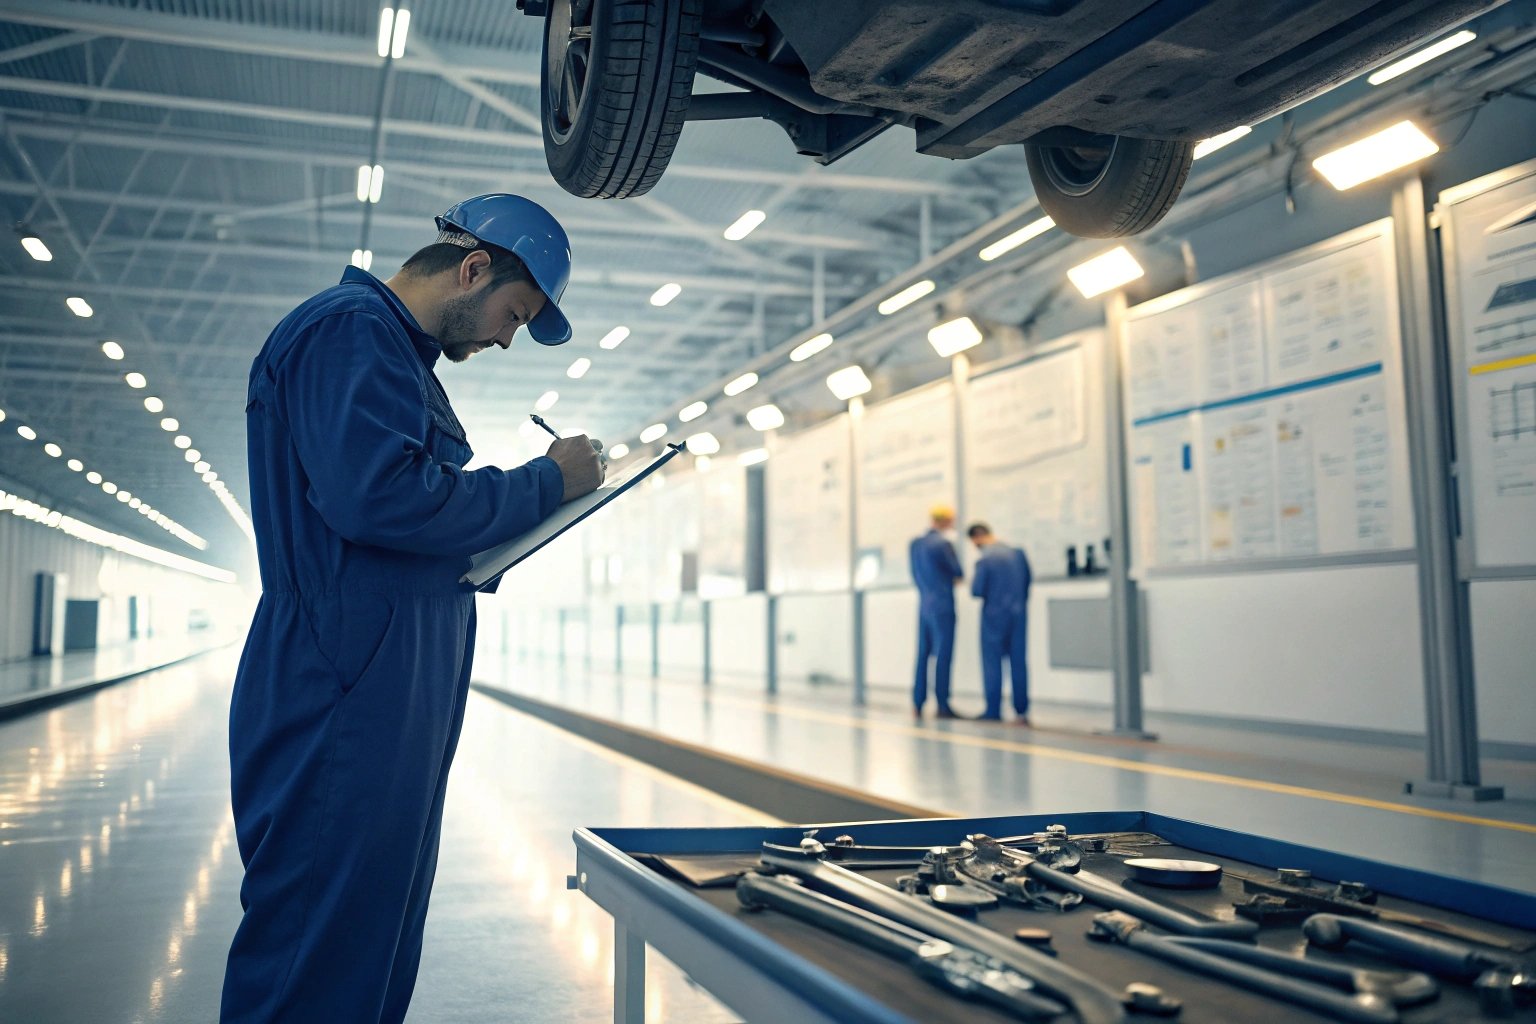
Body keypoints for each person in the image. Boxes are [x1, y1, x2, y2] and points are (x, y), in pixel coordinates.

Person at [221, 195, 605, 1023]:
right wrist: (546, 482)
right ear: (473, 269)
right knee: (316, 944)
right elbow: (379, 501)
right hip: (344, 682)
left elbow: (403, 521)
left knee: (369, 941)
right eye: (514, 313)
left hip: (386, 678)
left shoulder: (393, 356)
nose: (506, 337)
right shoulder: (348, 331)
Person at [968, 522, 1033, 725]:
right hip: (1018, 614)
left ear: (976, 538)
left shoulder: (985, 559)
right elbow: (1027, 581)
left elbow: (977, 590)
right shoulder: (1018, 554)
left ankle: (993, 710)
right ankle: (1021, 712)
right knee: (1018, 661)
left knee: (992, 663)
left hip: (993, 616)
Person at [909, 504, 963, 719]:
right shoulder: (943, 544)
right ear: (946, 521)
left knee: (923, 654)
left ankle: (917, 703)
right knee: (943, 654)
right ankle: (942, 704)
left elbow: (914, 573)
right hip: (942, 606)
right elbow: (957, 573)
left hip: (924, 605)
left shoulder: (915, 545)